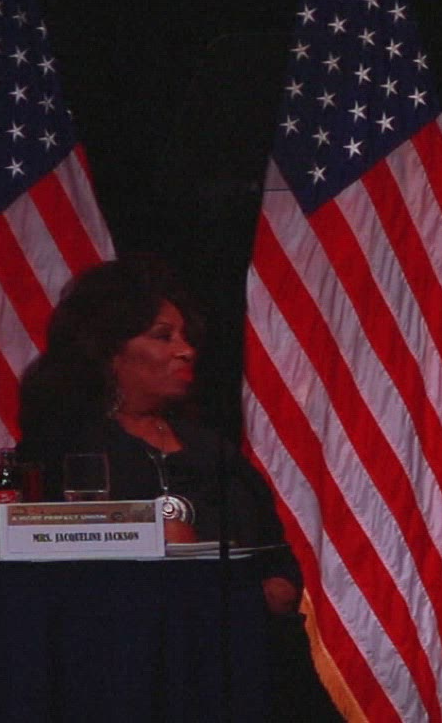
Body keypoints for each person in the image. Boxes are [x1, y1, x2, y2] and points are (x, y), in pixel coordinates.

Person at [16, 255, 299, 616]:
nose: (187, 351)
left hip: (233, 633)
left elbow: (275, 554)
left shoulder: (212, 449)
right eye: (163, 336)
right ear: (108, 350)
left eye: (186, 337)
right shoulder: (64, 447)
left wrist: (277, 587)